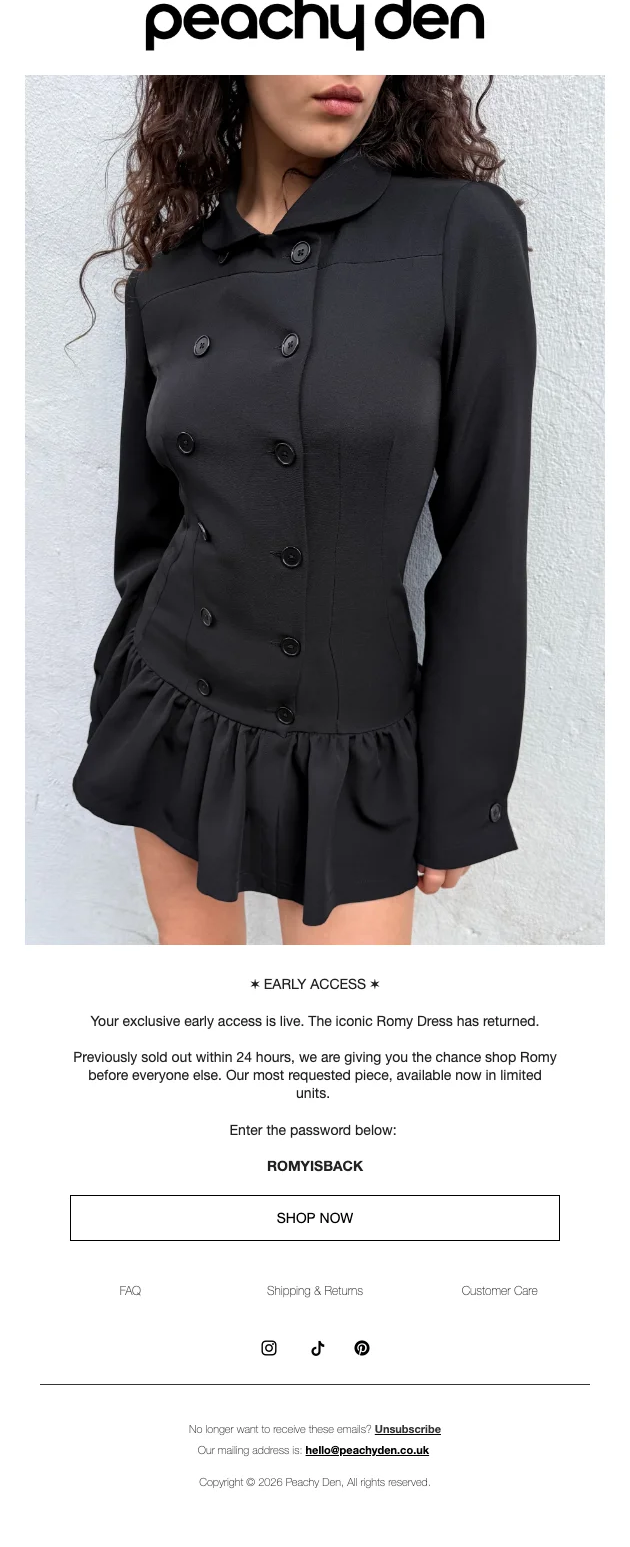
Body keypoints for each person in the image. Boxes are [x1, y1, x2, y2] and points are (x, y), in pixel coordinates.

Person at [73, 74, 536, 945]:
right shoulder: (169, 279)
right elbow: (147, 532)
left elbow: (487, 523)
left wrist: (464, 786)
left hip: (348, 735)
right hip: (172, 698)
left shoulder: (457, 232)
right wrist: (118, 689)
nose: (345, 64)